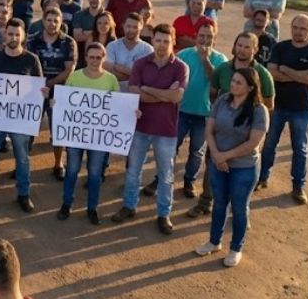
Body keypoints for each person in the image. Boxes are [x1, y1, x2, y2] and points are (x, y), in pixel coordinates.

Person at [186, 32, 275, 217]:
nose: (242, 50)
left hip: (246, 134)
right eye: (239, 45)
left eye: (247, 46)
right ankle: (205, 202)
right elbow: (213, 91)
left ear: (255, 49)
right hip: (221, 131)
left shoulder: (263, 75)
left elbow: (269, 103)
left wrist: (253, 123)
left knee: (241, 173)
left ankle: (237, 211)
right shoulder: (223, 69)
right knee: (212, 165)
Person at [112, 24, 188, 234]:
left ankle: (164, 214)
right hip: (140, 126)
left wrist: (148, 89)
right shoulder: (140, 64)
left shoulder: (180, 67)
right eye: (158, 40)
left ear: (173, 41)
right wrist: (164, 94)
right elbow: (135, 93)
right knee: (133, 170)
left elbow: (177, 97)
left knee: (165, 175)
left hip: (166, 129)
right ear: (152, 40)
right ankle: (129, 205)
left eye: (166, 41)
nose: (162, 45)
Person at [194, 67, 269, 268]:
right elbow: (209, 129)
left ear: (251, 87)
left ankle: (236, 248)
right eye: (233, 81)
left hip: (243, 167)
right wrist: (217, 155)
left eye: (238, 83)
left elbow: (253, 142)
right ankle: (214, 241)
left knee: (239, 207)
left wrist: (224, 156)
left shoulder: (258, 110)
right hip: (218, 162)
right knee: (219, 203)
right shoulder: (222, 100)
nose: (233, 85)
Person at [0, 19, 44, 210]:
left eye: (17, 34)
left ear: (23, 36)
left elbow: (38, 86)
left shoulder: (31, 60)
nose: (13, 38)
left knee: (22, 157)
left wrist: (42, 92)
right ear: (5, 35)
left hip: (20, 119)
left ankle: (23, 194)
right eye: (10, 34)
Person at [258, 15, 308, 202]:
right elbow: (272, 73)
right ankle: (262, 177)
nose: (298, 31)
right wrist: (299, 75)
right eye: (295, 27)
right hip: (277, 105)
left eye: (303, 29)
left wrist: (286, 70)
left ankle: (298, 186)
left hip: (302, 107)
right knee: (269, 144)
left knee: (300, 148)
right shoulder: (280, 47)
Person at [58, 42, 120, 224]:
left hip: (99, 137)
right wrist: (57, 104)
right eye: (91, 57)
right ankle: (66, 204)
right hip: (75, 135)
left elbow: (117, 107)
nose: (94, 61)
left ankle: (92, 208)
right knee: (71, 171)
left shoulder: (111, 80)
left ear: (104, 58)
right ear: (86, 58)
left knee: (94, 174)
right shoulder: (75, 77)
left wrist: (131, 112)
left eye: (98, 57)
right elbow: (65, 103)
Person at [174, 23, 228, 200]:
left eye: (209, 37)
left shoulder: (220, 60)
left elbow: (217, 83)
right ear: (196, 36)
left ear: (215, 38)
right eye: (202, 36)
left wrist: (205, 61)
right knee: (172, 146)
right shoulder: (184, 55)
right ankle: (162, 178)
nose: (205, 40)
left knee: (197, 151)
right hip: (181, 110)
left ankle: (189, 181)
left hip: (204, 114)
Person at [28, 7, 77, 179]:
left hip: (59, 91)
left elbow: (69, 70)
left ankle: (58, 163)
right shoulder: (32, 40)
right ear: (43, 21)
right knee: (29, 126)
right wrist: (39, 84)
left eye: (56, 21)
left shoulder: (69, 42)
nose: (52, 24)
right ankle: (23, 161)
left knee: (58, 129)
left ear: (60, 22)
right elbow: (28, 64)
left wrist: (49, 83)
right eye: (49, 20)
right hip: (35, 90)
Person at [105, 12, 153, 84]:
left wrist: (117, 67)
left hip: (137, 92)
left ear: (141, 26)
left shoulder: (148, 50)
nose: (130, 30)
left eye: (134, 27)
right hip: (114, 89)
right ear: (123, 26)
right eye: (128, 26)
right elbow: (108, 70)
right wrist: (134, 75)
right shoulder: (112, 46)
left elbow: (146, 75)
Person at [70, 0, 104, 65]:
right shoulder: (79, 15)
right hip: (82, 54)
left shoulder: (108, 16)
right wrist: (98, 33)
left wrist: (86, 32)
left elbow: (110, 38)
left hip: (102, 55)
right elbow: (77, 37)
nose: (94, 0)